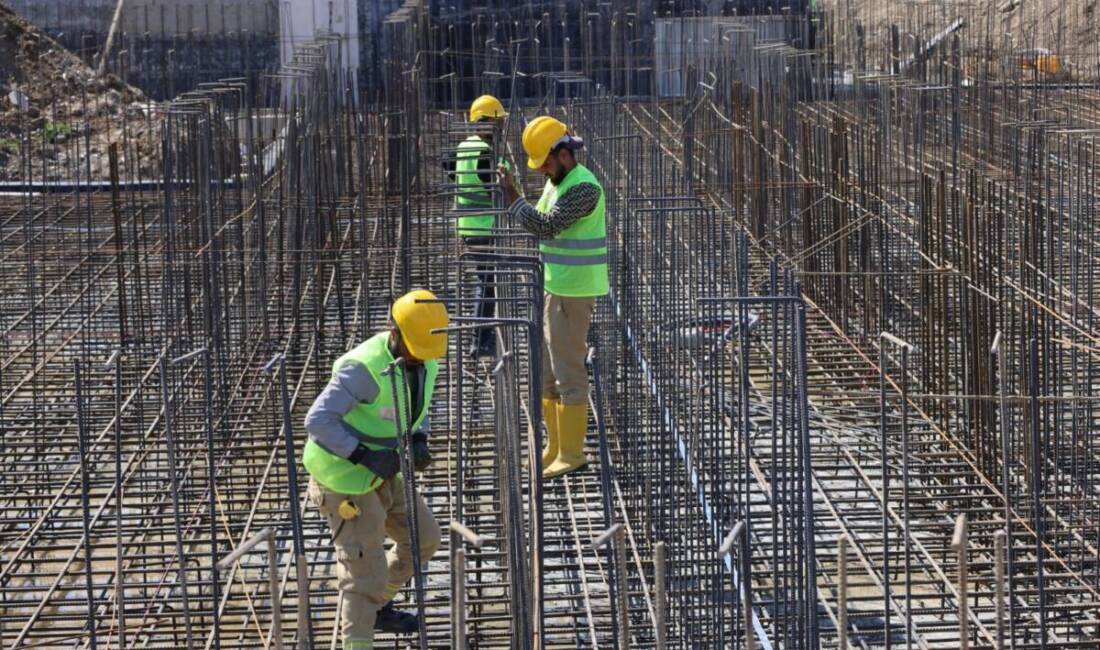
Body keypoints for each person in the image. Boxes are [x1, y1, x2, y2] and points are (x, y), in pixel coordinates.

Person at [302, 289, 446, 649]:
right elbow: (317, 420)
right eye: (412, 352)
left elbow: (419, 402)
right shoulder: (362, 368)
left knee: (423, 540)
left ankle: (379, 606)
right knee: (363, 576)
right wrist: (361, 454)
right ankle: (360, 634)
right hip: (344, 480)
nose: (418, 360)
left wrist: (419, 439)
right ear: (394, 333)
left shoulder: (427, 354)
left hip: (384, 473)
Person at [498, 116, 607, 479]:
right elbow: (540, 216)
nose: (542, 170)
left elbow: (546, 225)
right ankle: (555, 446)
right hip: (555, 288)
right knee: (548, 374)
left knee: (568, 373)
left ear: (563, 154)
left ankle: (573, 454)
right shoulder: (556, 182)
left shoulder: (583, 189)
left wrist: (512, 196)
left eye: (545, 162)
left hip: (573, 293)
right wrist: (516, 195)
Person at [453, 95, 511, 357]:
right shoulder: (485, 152)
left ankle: (480, 338)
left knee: (485, 281)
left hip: (467, 227)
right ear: (486, 122)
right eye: (498, 122)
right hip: (484, 228)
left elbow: (454, 176)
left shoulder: (463, 147)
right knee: (486, 283)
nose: (500, 127)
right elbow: (494, 190)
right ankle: (480, 340)